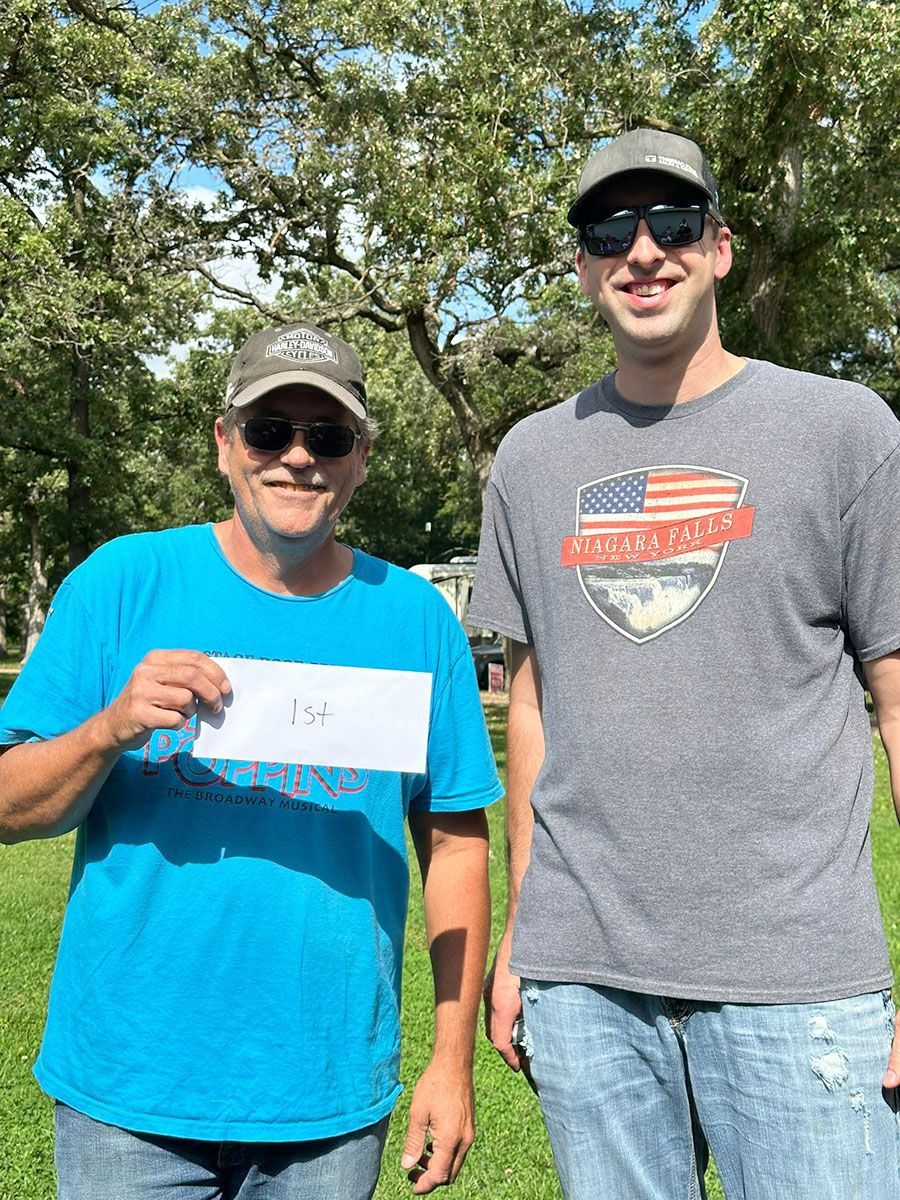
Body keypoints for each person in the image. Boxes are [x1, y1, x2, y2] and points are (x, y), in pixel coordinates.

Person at [469, 127, 900, 1199]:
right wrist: (525, 934)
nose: (642, 250)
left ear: (720, 248)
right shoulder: (530, 458)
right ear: (581, 266)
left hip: (798, 977)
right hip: (585, 980)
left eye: (672, 223)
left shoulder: (844, 430)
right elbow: (532, 705)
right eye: (609, 229)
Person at [0, 321, 502, 1200]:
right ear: (226, 444)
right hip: (128, 1093)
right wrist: (107, 728)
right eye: (270, 431)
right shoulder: (123, 582)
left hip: (329, 1102)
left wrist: (450, 1062)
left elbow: (457, 844)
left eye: (329, 436)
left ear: (361, 458)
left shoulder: (417, 621)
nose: (298, 457)